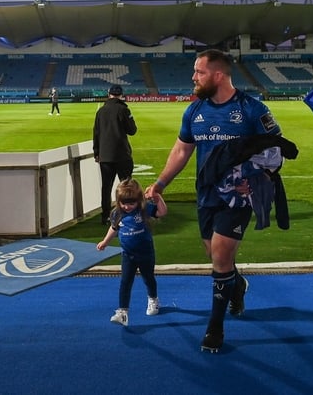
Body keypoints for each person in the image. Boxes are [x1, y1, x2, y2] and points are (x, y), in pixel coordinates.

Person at [144, 49, 283, 353]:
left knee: (220, 255)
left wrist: (257, 178)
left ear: (218, 75)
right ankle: (237, 284)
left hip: (237, 196)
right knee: (215, 255)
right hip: (206, 194)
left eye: (199, 72)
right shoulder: (194, 111)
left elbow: (276, 151)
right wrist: (160, 183)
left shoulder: (252, 110)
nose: (193, 77)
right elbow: (182, 150)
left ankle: (215, 327)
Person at [96, 178, 167, 327]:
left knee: (148, 278)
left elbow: (162, 212)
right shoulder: (117, 213)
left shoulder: (144, 209)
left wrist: (157, 197)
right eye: (123, 203)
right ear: (118, 201)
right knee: (125, 282)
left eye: (131, 203)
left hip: (145, 253)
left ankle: (153, 299)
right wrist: (105, 241)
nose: (127, 207)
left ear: (138, 200)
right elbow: (114, 228)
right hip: (128, 255)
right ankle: (123, 312)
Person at [93, 84, 137, 225]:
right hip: (121, 154)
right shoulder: (123, 109)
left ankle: (105, 216)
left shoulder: (101, 111)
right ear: (121, 95)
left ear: (109, 94)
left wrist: (96, 152)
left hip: (105, 155)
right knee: (126, 186)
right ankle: (127, 215)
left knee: (106, 187)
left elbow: (96, 133)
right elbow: (132, 130)